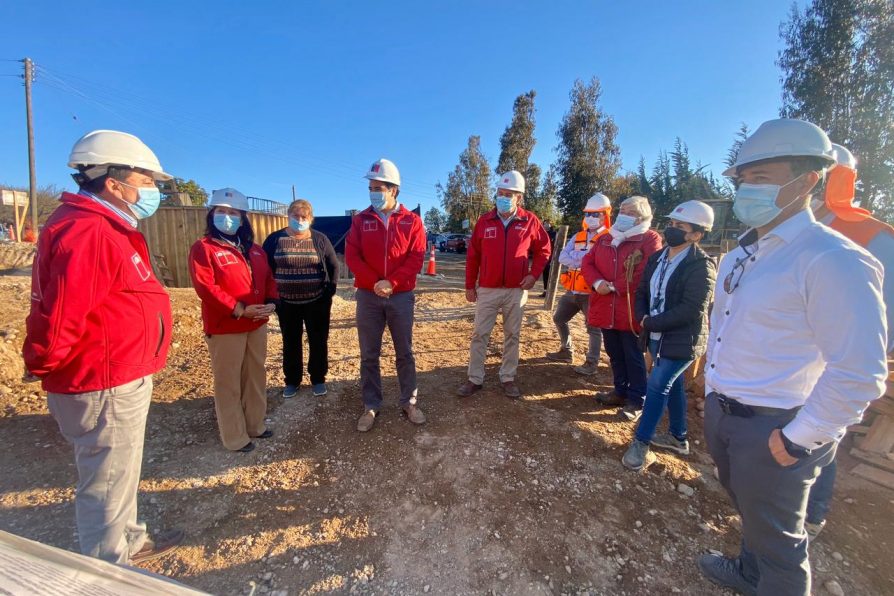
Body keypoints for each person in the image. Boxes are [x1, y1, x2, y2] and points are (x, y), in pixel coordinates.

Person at [699, 119, 886, 596]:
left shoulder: (832, 259)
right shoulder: (742, 254)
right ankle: (747, 571)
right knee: (751, 511)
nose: (746, 189)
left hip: (777, 426)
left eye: (762, 178)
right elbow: (723, 330)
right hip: (727, 415)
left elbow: (860, 371)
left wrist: (801, 439)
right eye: (743, 179)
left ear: (806, 181)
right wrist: (712, 397)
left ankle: (769, 580)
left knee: (781, 543)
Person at [23, 130, 183, 564]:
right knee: (105, 482)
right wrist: (43, 362)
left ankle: (130, 539)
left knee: (117, 474)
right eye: (146, 180)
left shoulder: (103, 226)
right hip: (102, 378)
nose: (151, 189)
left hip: (116, 372)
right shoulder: (89, 230)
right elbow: (62, 316)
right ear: (114, 182)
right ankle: (109, 570)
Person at [804, 143, 894, 539]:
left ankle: (813, 511)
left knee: (822, 436)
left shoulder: (874, 236)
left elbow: (883, 317)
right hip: (788, 357)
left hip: (834, 360)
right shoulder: (788, 231)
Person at [621, 200, 716, 471]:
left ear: (697, 234)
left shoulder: (701, 266)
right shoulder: (657, 258)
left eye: (680, 226)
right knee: (672, 385)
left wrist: (652, 322)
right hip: (654, 333)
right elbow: (642, 292)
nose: (671, 229)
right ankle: (678, 436)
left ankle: (641, 442)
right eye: (671, 224)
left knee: (657, 385)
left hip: (681, 339)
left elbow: (691, 309)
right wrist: (643, 317)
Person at [189, 188, 278, 453]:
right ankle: (235, 436)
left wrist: (274, 301)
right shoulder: (204, 249)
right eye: (222, 212)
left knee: (255, 375)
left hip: (256, 324)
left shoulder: (256, 251)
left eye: (233, 213)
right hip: (227, 326)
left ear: (242, 218)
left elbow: (269, 279)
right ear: (212, 215)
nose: (227, 217)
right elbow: (207, 287)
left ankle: (255, 425)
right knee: (228, 381)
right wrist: (239, 309)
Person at [345, 158, 427, 432]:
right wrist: (375, 283)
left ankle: (409, 402)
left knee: (405, 352)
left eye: (378, 187)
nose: (373, 192)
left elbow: (416, 257)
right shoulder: (360, 220)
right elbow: (352, 256)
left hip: (401, 295)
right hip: (369, 297)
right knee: (369, 354)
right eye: (371, 187)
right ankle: (371, 405)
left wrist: (392, 282)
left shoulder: (412, 222)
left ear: (393, 190)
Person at [457, 170, 551, 399]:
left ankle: (508, 377)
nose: (503, 197)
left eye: (509, 193)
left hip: (516, 290)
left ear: (519, 197)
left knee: (512, 335)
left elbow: (544, 250)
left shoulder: (530, 221)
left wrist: (533, 274)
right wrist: (470, 285)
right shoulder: (484, 221)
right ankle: (474, 378)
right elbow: (473, 256)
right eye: (500, 192)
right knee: (480, 334)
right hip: (488, 289)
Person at [581, 196, 662, 421]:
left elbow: (646, 272)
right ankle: (619, 390)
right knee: (614, 353)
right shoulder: (606, 238)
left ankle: (637, 399)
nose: (622, 214)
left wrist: (616, 286)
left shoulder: (649, 239)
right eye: (622, 210)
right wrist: (598, 283)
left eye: (629, 211)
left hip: (629, 309)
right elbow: (588, 262)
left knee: (633, 355)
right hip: (606, 306)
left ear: (641, 216)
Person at [263, 199, 338, 399]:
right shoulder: (274, 239)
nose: (300, 220)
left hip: (316, 303)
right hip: (286, 303)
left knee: (318, 340)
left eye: (304, 217)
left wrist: (329, 292)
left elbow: (333, 265)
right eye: (296, 216)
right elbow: (265, 269)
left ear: (310, 219)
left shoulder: (320, 239)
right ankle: (292, 380)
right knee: (290, 341)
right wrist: (271, 297)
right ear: (288, 216)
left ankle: (318, 378)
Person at [546, 193, 612, 375]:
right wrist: (584, 258)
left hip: (593, 292)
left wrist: (577, 258)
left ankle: (592, 363)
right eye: (588, 213)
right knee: (559, 318)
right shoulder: (578, 236)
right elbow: (562, 257)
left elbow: (598, 262)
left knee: (593, 328)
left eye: (595, 214)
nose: (591, 217)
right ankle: (566, 351)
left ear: (605, 215)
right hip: (572, 290)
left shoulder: (608, 238)